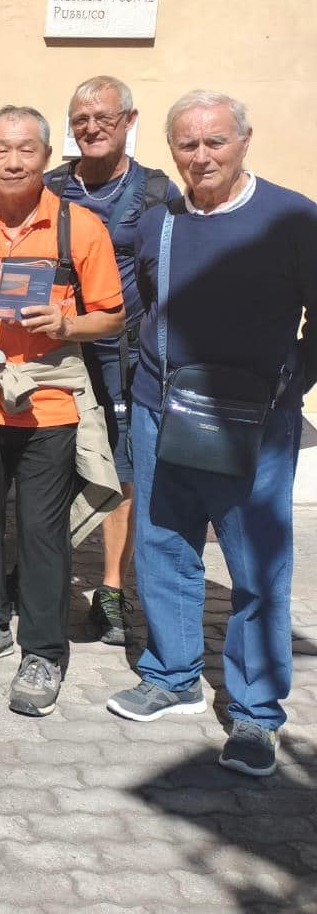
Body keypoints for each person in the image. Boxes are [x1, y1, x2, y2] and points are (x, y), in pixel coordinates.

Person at [106, 91, 317, 778]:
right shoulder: (157, 222)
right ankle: (171, 676)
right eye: (188, 144)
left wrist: (294, 380)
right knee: (164, 543)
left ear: (244, 142)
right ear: (171, 148)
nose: (201, 156)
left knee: (256, 566)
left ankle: (256, 716)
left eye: (215, 142)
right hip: (161, 405)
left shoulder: (292, 218)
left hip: (253, 420)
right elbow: (145, 299)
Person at [0, 105, 124, 717]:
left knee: (44, 534)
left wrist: (66, 322)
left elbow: (114, 315)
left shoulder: (80, 228)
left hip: (49, 403)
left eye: (27, 150)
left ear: (46, 157)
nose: (13, 162)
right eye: (1, 150)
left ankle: (44, 649)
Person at [43, 76, 178, 647]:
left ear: (129, 121)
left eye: (103, 117)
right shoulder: (49, 187)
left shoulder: (155, 191)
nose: (91, 128)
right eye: (80, 120)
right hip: (53, 349)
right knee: (46, 462)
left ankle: (112, 588)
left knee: (121, 472)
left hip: (122, 355)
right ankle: (39, 566)